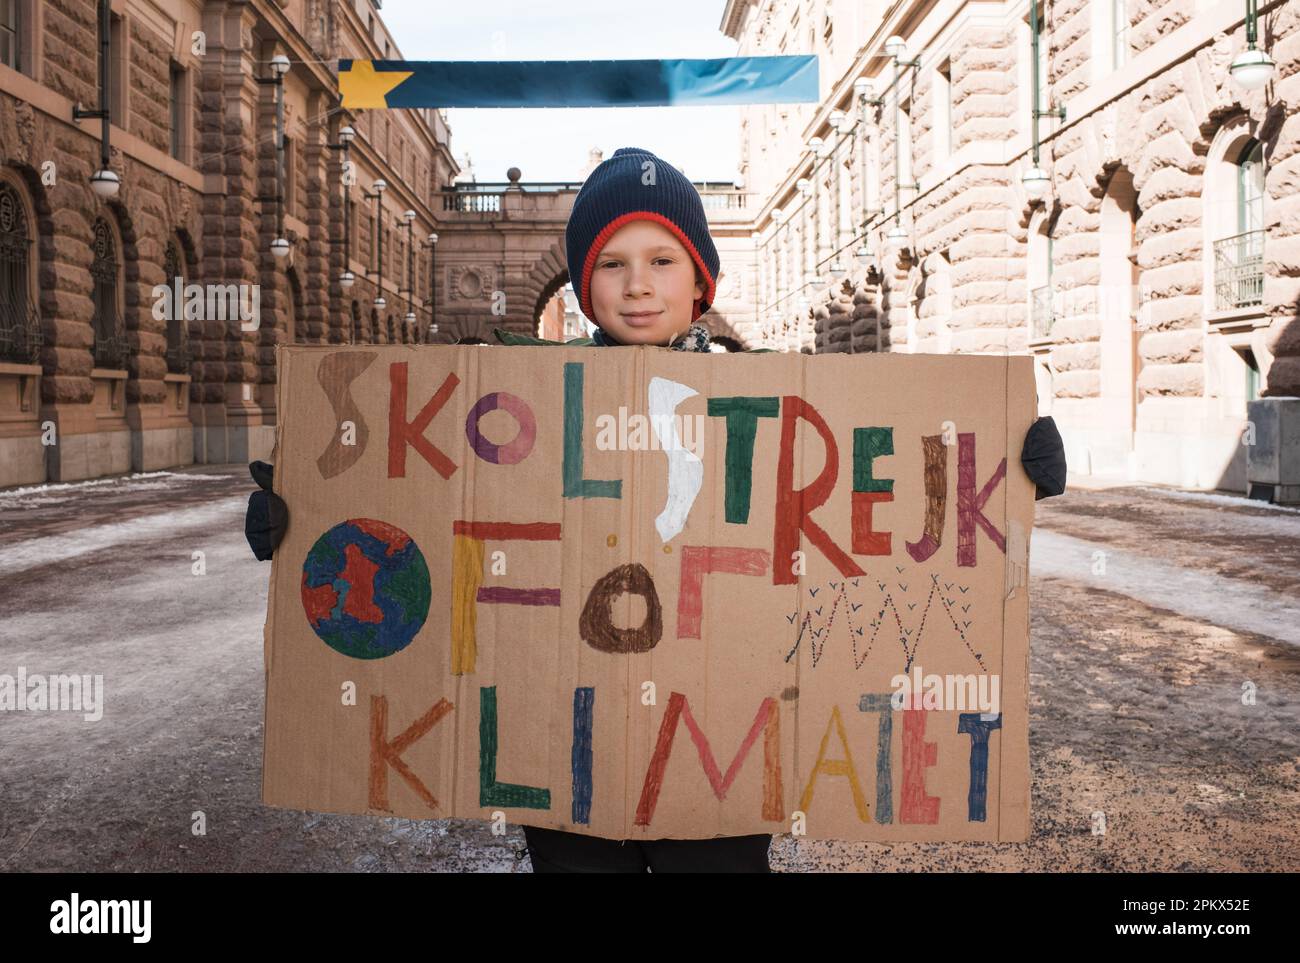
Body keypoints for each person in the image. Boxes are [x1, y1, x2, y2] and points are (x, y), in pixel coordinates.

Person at [245, 146, 1067, 873]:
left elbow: (891, 505)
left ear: (702, 279)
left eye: (664, 259)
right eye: (611, 263)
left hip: (724, 770)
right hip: (566, 761)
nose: (638, 285)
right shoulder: (507, 403)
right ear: (581, 282)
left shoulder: (785, 394)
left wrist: (1012, 464)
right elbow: (416, 511)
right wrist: (304, 521)